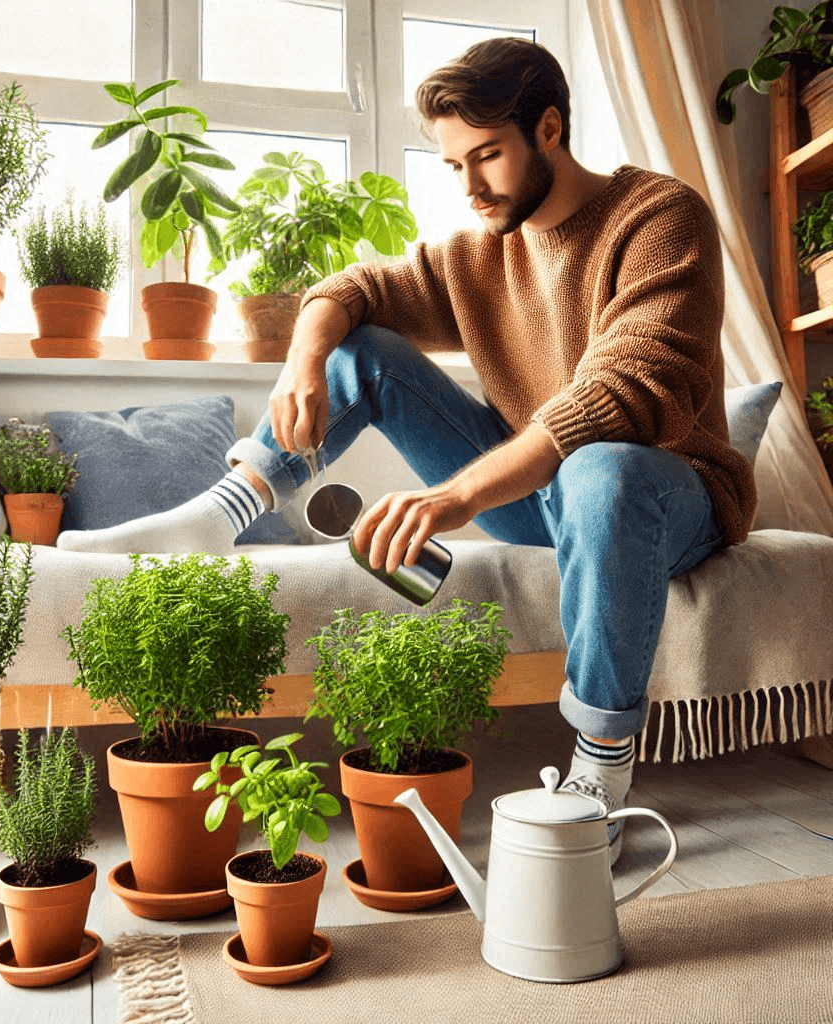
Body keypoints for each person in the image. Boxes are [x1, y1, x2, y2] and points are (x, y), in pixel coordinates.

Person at [58, 37, 757, 863]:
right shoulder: (480, 254)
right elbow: (352, 291)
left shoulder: (660, 219)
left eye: (487, 157)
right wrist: (305, 359)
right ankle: (220, 516)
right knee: (360, 349)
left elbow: (614, 399)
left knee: (600, 465)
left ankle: (598, 772)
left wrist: (454, 498)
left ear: (550, 128)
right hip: (543, 496)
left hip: (665, 493)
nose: (469, 187)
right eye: (454, 163)